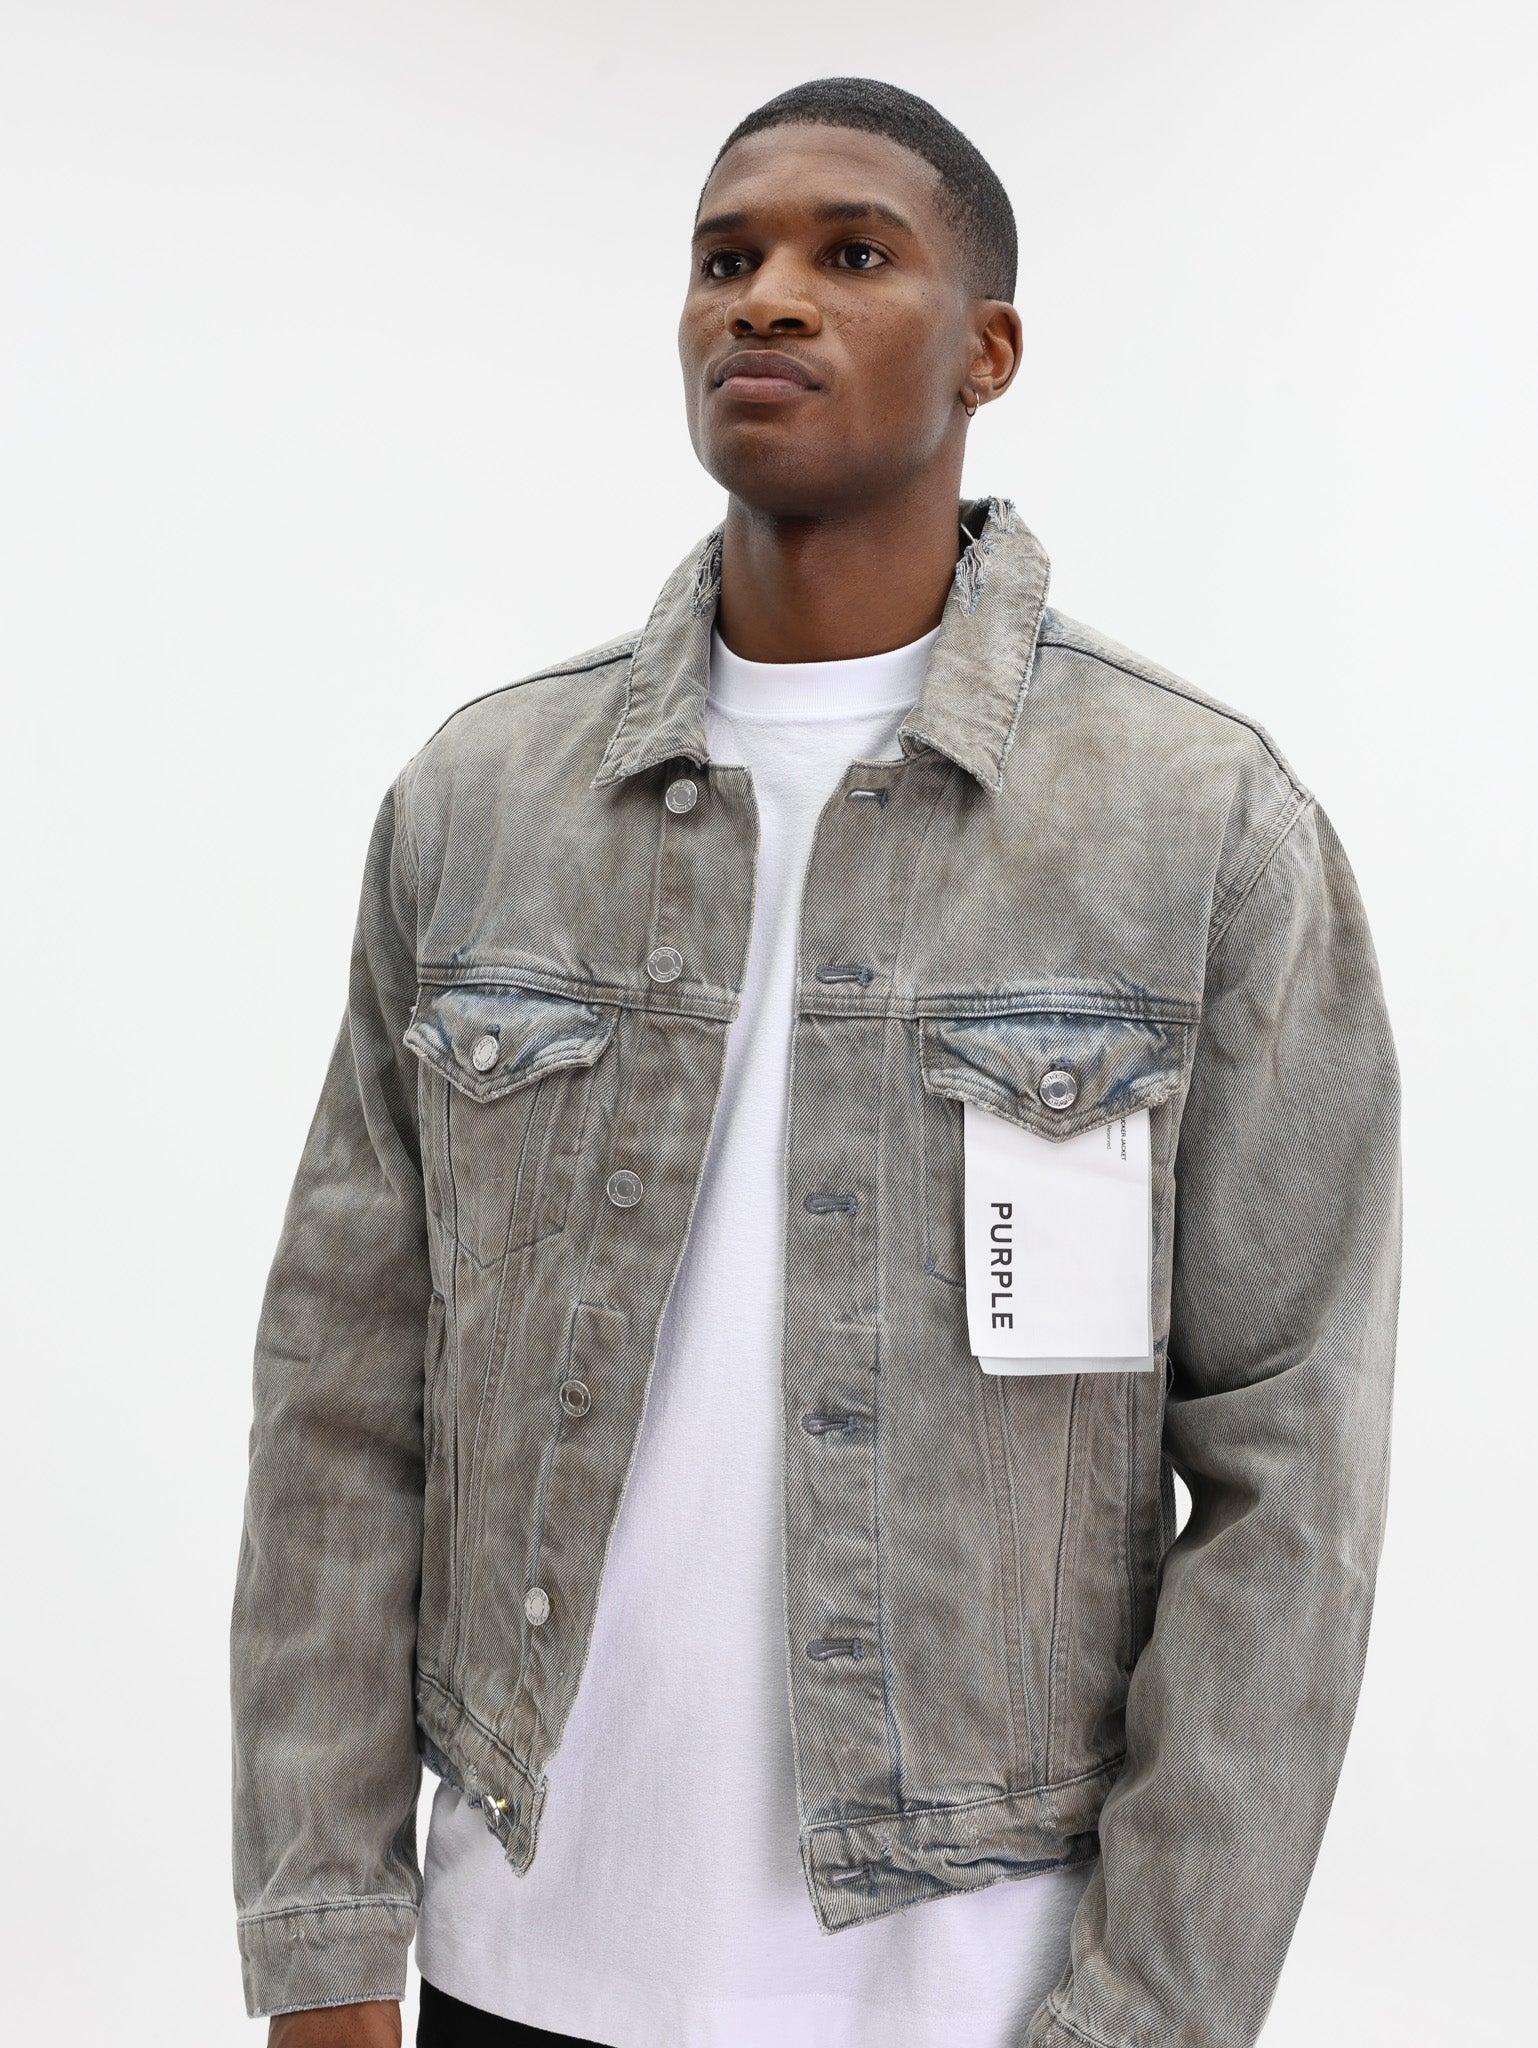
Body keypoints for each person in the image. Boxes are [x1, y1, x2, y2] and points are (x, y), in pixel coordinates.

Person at [231, 76, 1401, 2048]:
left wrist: (1152, 2011)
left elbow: (1290, 1480)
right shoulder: (480, 801)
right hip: (515, 1956)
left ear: (986, 349)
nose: (763, 299)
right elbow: (339, 1398)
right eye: (724, 259)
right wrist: (325, 1936)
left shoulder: (1196, 823)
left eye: (850, 254)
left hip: (980, 1988)